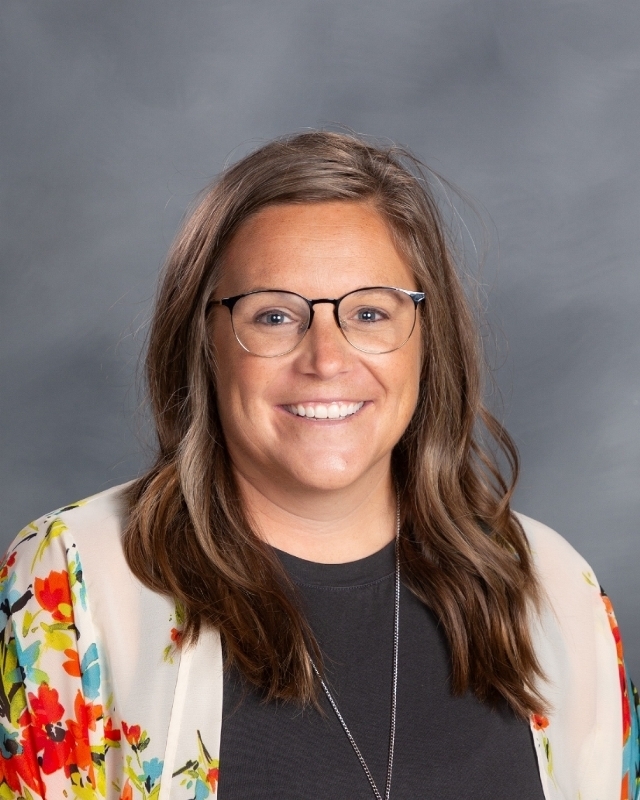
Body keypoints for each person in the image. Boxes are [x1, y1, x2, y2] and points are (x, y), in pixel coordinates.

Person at [0, 131, 637, 800]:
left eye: (369, 313)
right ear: (204, 342)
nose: (327, 359)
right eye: (274, 316)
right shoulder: (75, 580)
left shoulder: (554, 588)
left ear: (426, 341)